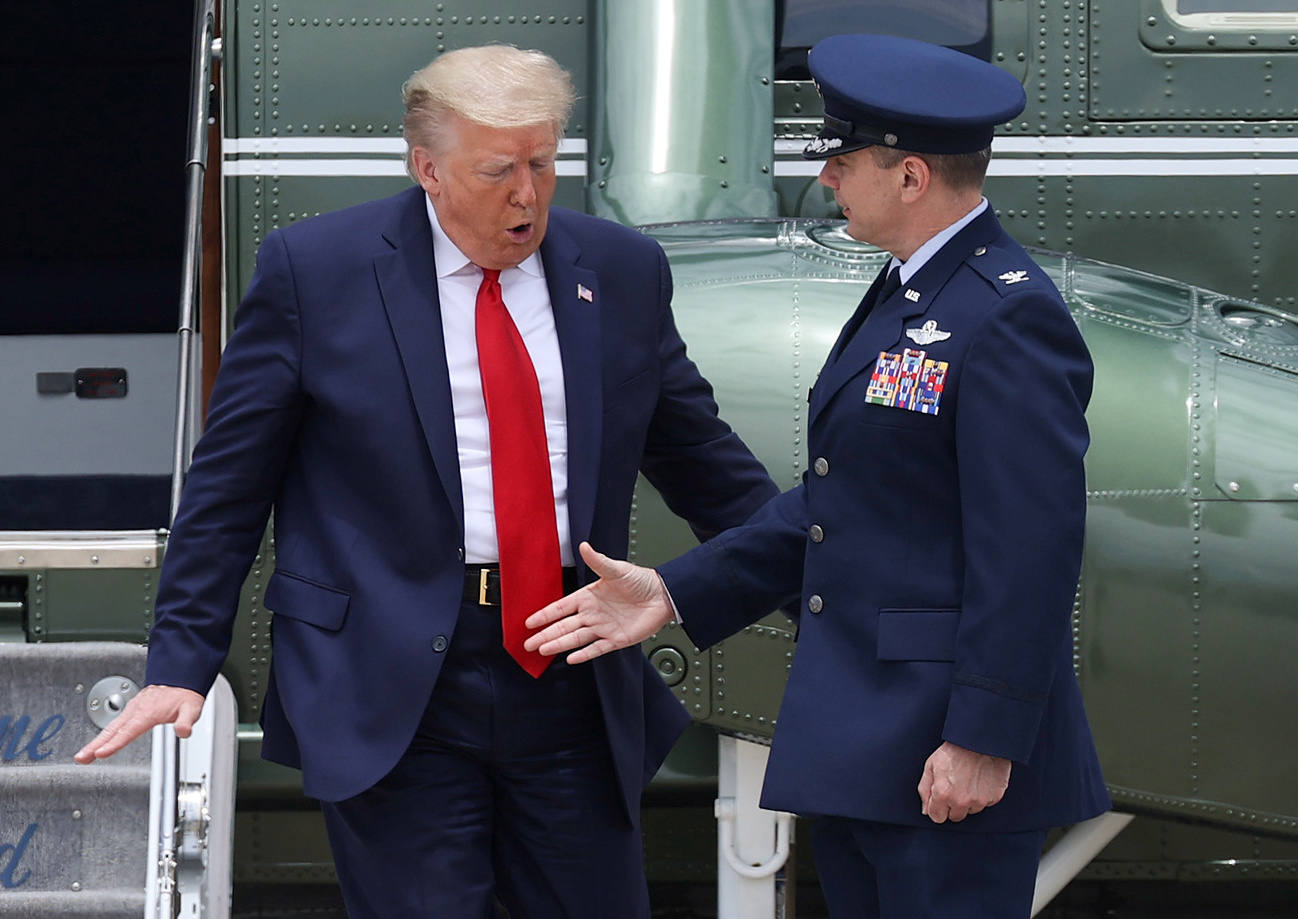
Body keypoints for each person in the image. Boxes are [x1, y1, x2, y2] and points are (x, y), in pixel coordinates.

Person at [74, 45, 777, 918]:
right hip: (390, 678)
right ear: (428, 170)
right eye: (498, 171)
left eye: (542, 162)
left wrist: (821, 578)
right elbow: (227, 488)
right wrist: (181, 660)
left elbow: (706, 463)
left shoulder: (622, 271)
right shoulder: (316, 271)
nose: (528, 194)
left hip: (570, 663)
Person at [525, 33, 1112, 918]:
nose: (828, 176)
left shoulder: (1007, 315)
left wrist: (983, 738)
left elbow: (1031, 550)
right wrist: (676, 591)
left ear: (910, 177)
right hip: (870, 746)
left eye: (842, 159)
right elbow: (850, 500)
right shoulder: (916, 290)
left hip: (943, 754)